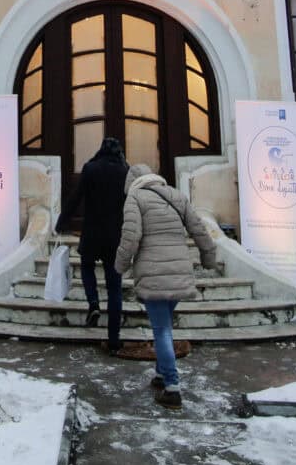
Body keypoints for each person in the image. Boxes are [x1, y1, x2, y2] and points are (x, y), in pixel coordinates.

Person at [115, 163, 218, 411]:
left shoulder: (135, 199)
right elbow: (198, 228)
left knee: (161, 330)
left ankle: (172, 387)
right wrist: (208, 257)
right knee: (165, 325)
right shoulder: (177, 195)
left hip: (153, 273)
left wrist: (119, 265)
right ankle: (161, 374)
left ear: (132, 182)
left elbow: (131, 236)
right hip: (179, 270)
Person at [57, 137, 129, 353]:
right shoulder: (125, 171)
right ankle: (114, 339)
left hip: (92, 231)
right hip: (115, 235)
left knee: (87, 266)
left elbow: (75, 197)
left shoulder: (90, 168)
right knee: (115, 287)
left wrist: (63, 221)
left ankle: (94, 303)